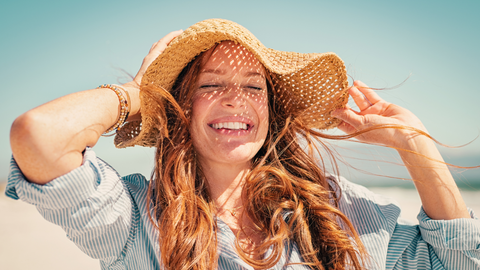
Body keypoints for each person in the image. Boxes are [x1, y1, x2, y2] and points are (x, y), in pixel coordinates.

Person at [6, 18, 479, 270]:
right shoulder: (136, 218)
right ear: (182, 107)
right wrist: (139, 94)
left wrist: (412, 142)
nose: (236, 100)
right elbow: (40, 136)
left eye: (254, 87)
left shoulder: (335, 211)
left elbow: (456, 262)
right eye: (211, 85)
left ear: (270, 112)